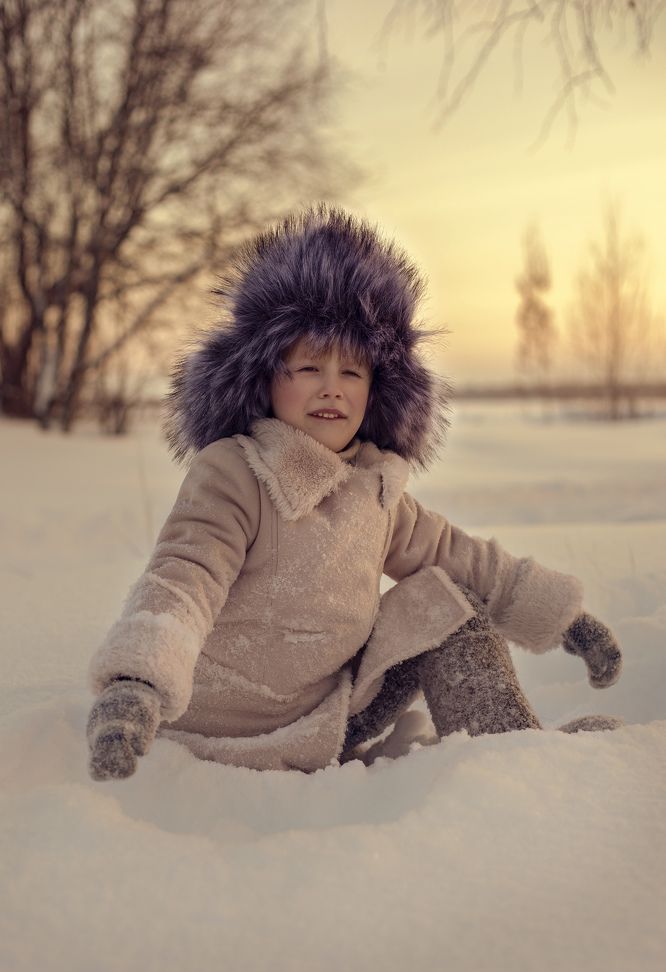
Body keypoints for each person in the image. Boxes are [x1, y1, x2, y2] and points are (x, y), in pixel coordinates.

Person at [86, 204, 623, 781]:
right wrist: (137, 683)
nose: (331, 389)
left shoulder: (373, 487)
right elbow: (183, 575)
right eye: (309, 367)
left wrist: (563, 616)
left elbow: (461, 554)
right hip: (223, 731)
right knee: (450, 599)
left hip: (326, 715)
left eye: (352, 373)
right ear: (266, 377)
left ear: (377, 390)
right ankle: (518, 758)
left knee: (451, 598)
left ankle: (512, 751)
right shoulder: (235, 471)